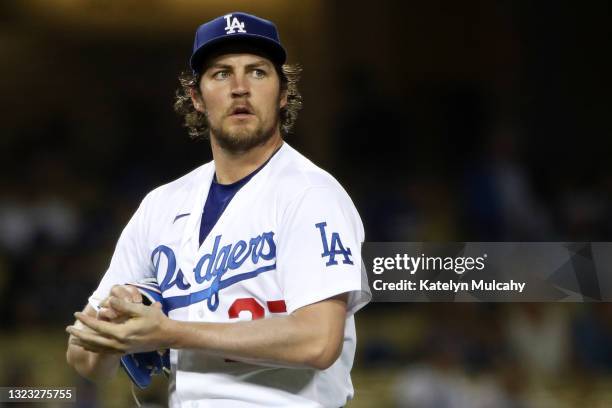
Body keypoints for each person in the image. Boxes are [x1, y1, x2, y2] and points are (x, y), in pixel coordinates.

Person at [66, 12, 371, 407]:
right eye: (221, 74)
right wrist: (115, 329)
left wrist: (169, 332)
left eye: (258, 72)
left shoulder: (311, 194)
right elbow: (84, 358)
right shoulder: (161, 206)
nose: (240, 88)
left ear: (282, 93)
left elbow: (318, 341)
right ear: (196, 96)